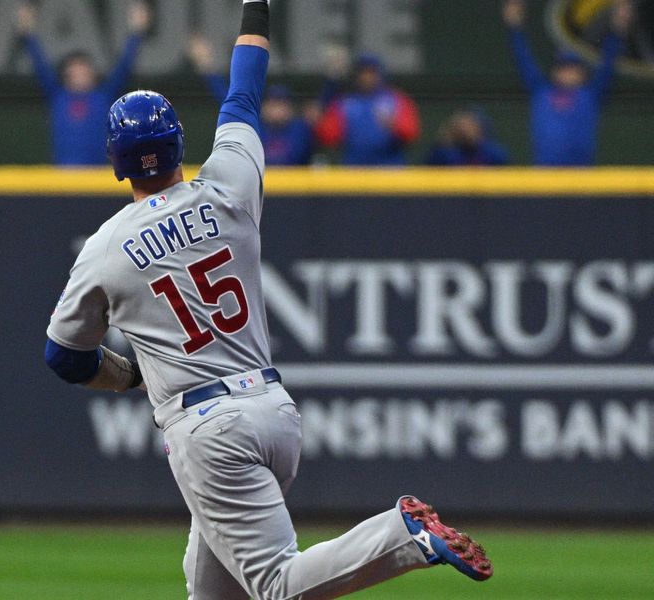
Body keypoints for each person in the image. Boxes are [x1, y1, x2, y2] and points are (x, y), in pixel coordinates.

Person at [44, 1, 493, 597]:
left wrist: (128, 378)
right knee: (211, 591)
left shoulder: (103, 249)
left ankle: (404, 535)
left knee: (277, 586)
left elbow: (64, 357)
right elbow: (244, 95)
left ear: (114, 162)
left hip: (207, 430)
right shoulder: (229, 186)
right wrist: (257, 10)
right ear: (179, 145)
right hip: (273, 411)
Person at [17, 1, 150, 166]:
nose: (79, 74)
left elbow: (124, 67)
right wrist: (28, 34)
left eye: (84, 69)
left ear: (93, 74)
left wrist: (137, 33)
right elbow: (40, 66)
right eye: (74, 71)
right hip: (62, 179)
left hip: (96, 180)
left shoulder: (103, 97)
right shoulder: (58, 96)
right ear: (66, 75)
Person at [503, 0, 633, 166]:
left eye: (572, 67)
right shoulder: (541, 91)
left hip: (580, 178)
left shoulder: (591, 95)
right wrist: (514, 27)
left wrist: (618, 29)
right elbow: (523, 58)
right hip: (545, 178)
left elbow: (609, 63)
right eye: (562, 67)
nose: (566, 72)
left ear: (582, 73)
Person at [187, 35, 314, 166]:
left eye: (281, 103)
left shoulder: (300, 128)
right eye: (273, 103)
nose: (277, 109)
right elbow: (229, 100)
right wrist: (206, 64)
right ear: (265, 107)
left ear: (290, 108)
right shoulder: (257, 125)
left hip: (295, 185)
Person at [315, 53, 421, 166]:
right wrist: (319, 122)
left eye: (371, 72)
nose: (366, 77)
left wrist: (395, 125)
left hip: (390, 168)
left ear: (380, 74)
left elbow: (412, 133)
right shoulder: (346, 102)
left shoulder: (395, 99)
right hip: (355, 169)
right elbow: (328, 136)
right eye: (363, 73)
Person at [426, 108, 510, 166]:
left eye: (470, 125)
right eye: (462, 125)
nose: (466, 129)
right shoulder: (445, 152)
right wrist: (442, 143)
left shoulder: (492, 152)